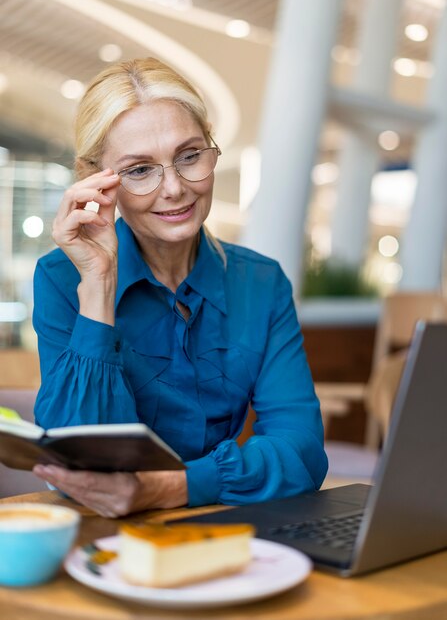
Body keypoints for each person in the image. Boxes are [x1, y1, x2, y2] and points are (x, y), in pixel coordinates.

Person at [32, 57, 327, 517]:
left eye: (189, 156)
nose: (173, 188)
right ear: (94, 179)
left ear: (210, 146)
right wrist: (99, 285)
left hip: (220, 526)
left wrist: (170, 488)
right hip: (103, 540)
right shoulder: (61, 277)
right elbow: (81, 464)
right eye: (139, 170)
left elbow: (303, 451)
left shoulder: (261, 281)